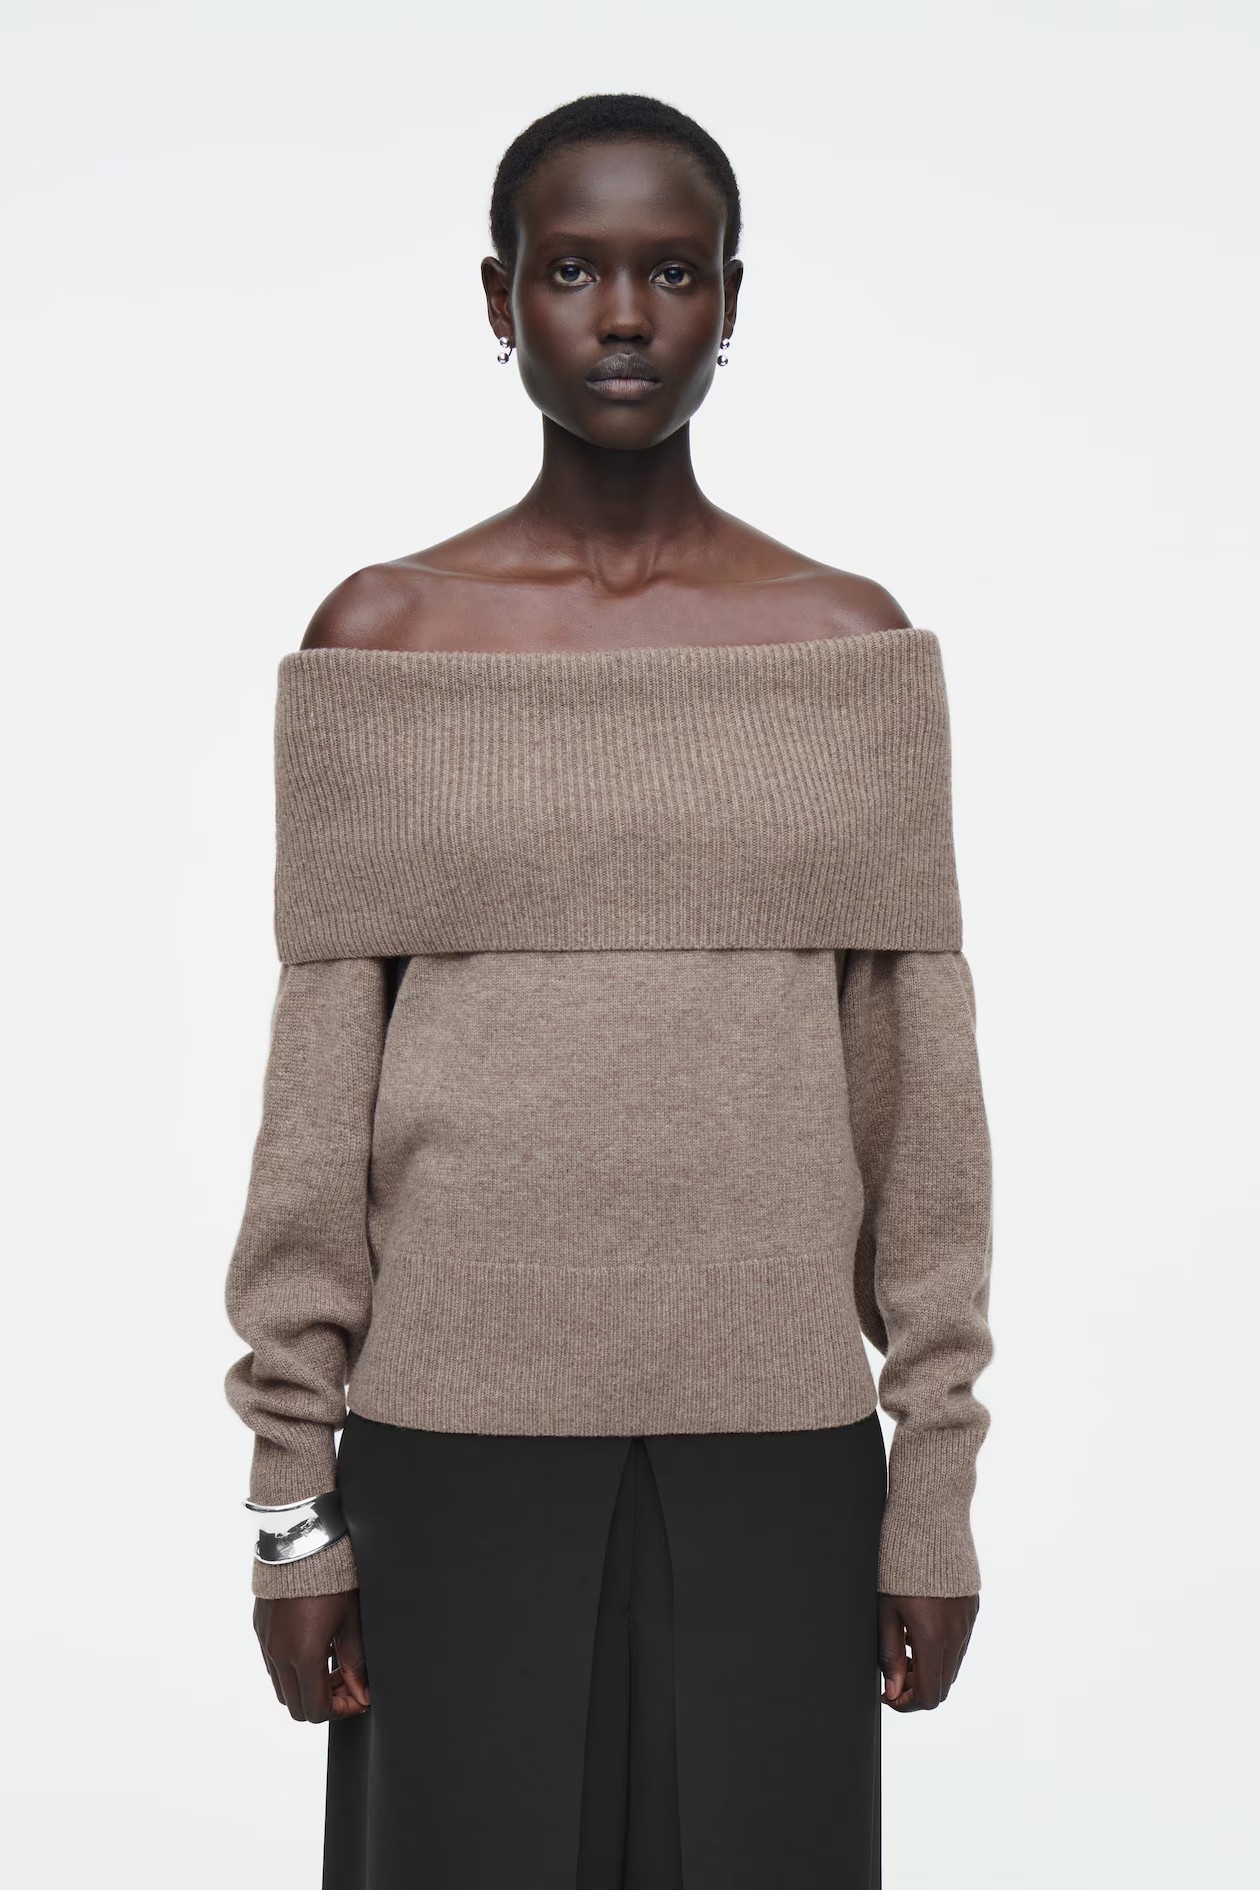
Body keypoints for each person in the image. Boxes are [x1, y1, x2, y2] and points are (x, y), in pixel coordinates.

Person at [224, 92, 995, 1890]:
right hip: (446, 1458)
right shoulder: (383, 644)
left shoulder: (847, 652)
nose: (627, 316)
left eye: (674, 271)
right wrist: (290, 1510)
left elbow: (922, 1108)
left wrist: (936, 1491)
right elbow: (311, 1108)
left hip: (783, 1461)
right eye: (573, 270)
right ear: (499, 300)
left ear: (734, 298)